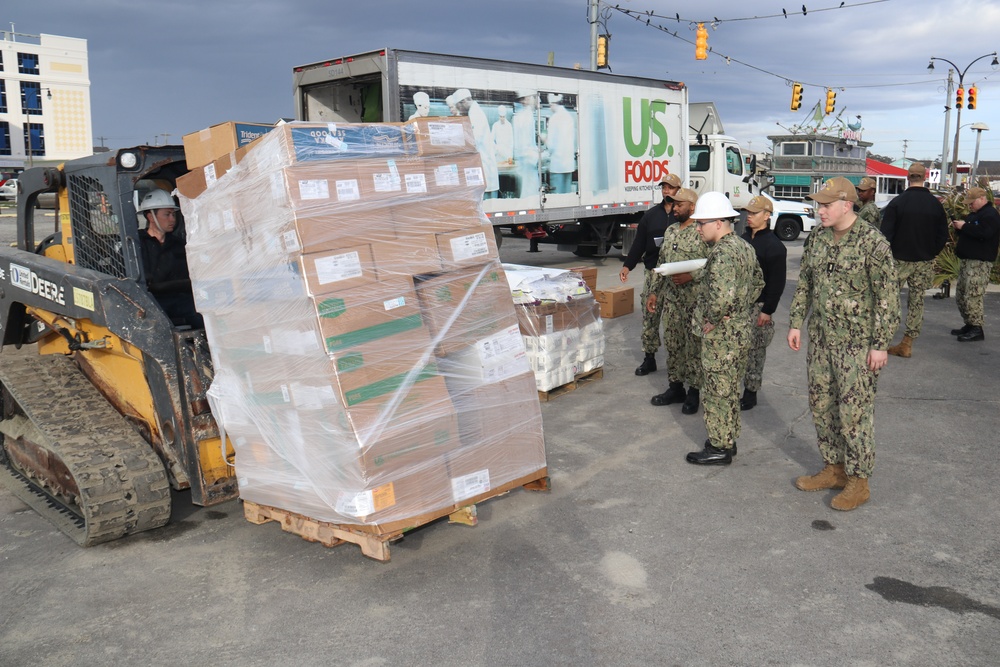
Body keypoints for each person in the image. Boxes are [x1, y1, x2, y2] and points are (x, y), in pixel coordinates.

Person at [788, 177, 899, 511]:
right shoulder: (818, 239)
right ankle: (834, 468)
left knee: (854, 414)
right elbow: (805, 282)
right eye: (818, 205)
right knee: (822, 406)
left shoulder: (872, 242)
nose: (819, 211)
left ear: (846, 205)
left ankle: (858, 481)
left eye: (826, 205)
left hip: (857, 344)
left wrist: (880, 344)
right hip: (821, 340)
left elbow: (887, 297)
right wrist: (796, 322)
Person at [685, 193, 764, 465]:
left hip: (722, 336)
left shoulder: (722, 253)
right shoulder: (744, 247)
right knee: (729, 389)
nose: (697, 228)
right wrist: (740, 310)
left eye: (701, 223)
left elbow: (719, 298)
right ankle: (727, 440)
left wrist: (713, 319)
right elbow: (758, 284)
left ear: (719, 223)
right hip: (740, 330)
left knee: (718, 392)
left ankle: (718, 446)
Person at [646, 188, 708, 415]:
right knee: (673, 344)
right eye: (672, 204)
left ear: (692, 207)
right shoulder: (670, 231)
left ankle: (694, 392)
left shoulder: (702, 231)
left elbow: (714, 264)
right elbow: (661, 263)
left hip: (694, 302)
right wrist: (654, 292)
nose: (674, 208)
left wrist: (692, 276)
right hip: (672, 300)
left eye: (679, 204)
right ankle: (675, 387)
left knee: (693, 348)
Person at [880, 162, 949, 357]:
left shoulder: (898, 202)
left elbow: (886, 234)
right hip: (924, 260)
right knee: (917, 301)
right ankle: (907, 342)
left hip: (899, 259)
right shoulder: (935, 205)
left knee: (890, 299)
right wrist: (931, 251)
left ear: (909, 177)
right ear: (925, 178)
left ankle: (883, 339)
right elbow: (942, 235)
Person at [621, 174, 682, 375]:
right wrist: (627, 265)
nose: (666, 191)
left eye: (670, 188)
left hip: (676, 275)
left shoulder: (684, 214)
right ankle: (649, 357)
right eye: (663, 187)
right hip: (653, 272)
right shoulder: (651, 215)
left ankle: (679, 360)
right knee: (650, 315)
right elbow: (639, 243)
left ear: (678, 189)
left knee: (675, 319)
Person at [739, 195, 787, 411]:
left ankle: (750, 392)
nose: (749, 217)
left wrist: (767, 310)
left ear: (767, 215)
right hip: (739, 306)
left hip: (758, 306)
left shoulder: (774, 246)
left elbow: (777, 283)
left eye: (754, 213)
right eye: (748, 212)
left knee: (755, 353)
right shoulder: (742, 239)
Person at [137, 189, 203, 328]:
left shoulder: (180, 245)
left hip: (181, 299)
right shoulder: (138, 244)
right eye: (167, 214)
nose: (172, 219)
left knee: (200, 313)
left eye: (173, 214)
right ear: (150, 217)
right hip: (151, 301)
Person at [950, 187, 1000, 342]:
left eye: (972, 203)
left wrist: (965, 226)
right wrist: (960, 228)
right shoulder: (976, 214)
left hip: (979, 262)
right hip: (968, 260)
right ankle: (970, 324)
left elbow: (985, 233)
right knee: (962, 294)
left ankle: (977, 328)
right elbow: (972, 232)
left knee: (972, 294)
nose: (970, 206)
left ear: (982, 199)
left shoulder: (990, 215)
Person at [453, 89, 500, 199]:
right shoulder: (473, 112)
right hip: (483, 169)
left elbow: (473, 141)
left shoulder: (476, 114)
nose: (459, 110)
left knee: (487, 207)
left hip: (486, 169)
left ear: (463, 101)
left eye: (458, 106)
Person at [545, 94, 576, 194]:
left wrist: (543, 139)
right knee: (566, 198)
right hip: (568, 166)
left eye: (550, 106)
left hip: (557, 167)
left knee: (557, 200)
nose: (550, 108)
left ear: (553, 104)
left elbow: (551, 146)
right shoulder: (569, 117)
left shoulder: (554, 118)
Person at [512, 90, 541, 199]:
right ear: (527, 99)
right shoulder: (525, 116)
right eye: (533, 97)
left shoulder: (523, 115)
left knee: (527, 193)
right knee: (530, 194)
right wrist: (536, 156)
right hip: (528, 163)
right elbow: (525, 144)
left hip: (526, 163)